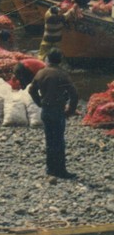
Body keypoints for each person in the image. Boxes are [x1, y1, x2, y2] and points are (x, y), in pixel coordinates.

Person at [29, 49, 78, 179]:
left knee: (50, 140)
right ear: (60, 61)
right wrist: (70, 110)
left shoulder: (41, 73)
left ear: (48, 59)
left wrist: (39, 103)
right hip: (58, 110)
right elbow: (74, 94)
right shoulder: (62, 74)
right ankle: (61, 170)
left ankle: (50, 169)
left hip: (46, 110)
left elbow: (31, 90)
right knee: (59, 141)